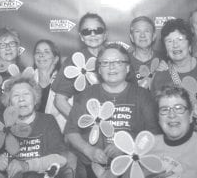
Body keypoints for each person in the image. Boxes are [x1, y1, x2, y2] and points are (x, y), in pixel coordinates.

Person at [65, 43, 160, 178]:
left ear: (127, 68)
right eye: (105, 63)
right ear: (99, 69)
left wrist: (127, 146)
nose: (111, 67)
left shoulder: (143, 95)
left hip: (131, 166)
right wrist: (89, 150)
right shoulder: (86, 95)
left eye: (118, 62)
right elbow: (71, 131)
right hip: (90, 167)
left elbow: (154, 133)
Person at [0, 75, 72, 178]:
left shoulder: (47, 121)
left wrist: (26, 165)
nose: (21, 99)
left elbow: (61, 158)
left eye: (26, 94)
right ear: (9, 103)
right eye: (16, 95)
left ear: (35, 100)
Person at [151, 18, 197, 137]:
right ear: (165, 48)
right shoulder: (160, 78)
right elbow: (155, 121)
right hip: (178, 146)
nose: (175, 45)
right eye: (169, 41)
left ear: (189, 43)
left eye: (180, 39)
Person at [148, 85, 197, 178]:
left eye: (179, 108)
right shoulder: (148, 147)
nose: (172, 115)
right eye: (164, 109)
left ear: (190, 116)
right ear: (158, 119)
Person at [52, 13, 107, 125]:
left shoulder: (118, 56)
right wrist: (83, 122)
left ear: (105, 34)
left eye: (98, 30)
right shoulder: (74, 61)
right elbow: (59, 100)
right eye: (86, 31)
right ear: (81, 36)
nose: (92, 34)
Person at [32, 39, 64, 131]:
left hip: (57, 134)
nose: (41, 55)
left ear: (56, 59)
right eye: (38, 52)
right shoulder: (27, 80)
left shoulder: (64, 83)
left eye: (46, 52)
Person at [128, 16, 163, 89]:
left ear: (153, 36)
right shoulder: (125, 61)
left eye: (147, 31)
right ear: (131, 37)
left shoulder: (164, 60)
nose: (142, 35)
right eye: (137, 31)